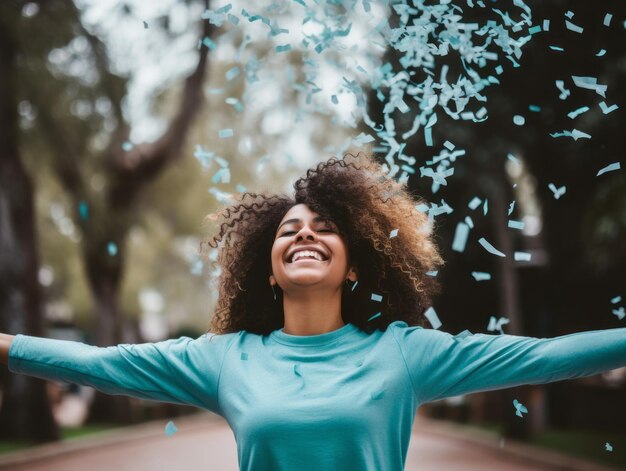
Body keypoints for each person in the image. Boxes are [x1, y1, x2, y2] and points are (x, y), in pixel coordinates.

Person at [1, 153, 625, 470]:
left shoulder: (403, 353)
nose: (303, 235)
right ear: (267, 267)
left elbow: (543, 356)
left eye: (324, 228)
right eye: (287, 231)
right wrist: (5, 346)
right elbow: (103, 364)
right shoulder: (227, 359)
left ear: (353, 264)